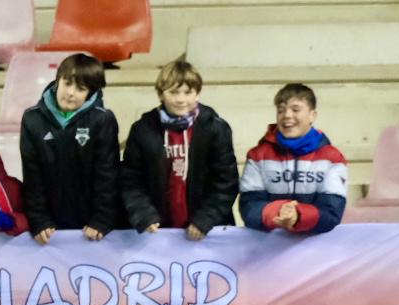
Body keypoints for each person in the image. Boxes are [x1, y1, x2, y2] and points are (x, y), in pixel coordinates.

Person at [120, 58, 239, 240]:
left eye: (188, 92)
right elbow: (130, 180)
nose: (181, 99)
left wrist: (205, 220)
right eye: (174, 92)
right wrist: (143, 214)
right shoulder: (142, 129)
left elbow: (226, 183)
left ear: (197, 94)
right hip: (155, 233)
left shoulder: (216, 129)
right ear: (161, 94)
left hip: (206, 233)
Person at [19, 53, 120, 245]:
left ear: (90, 92)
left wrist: (102, 219)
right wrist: (39, 219)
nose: (70, 92)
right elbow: (32, 176)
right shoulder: (32, 119)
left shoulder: (103, 119)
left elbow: (107, 175)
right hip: (49, 224)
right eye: (67, 83)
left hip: (91, 224)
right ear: (58, 80)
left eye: (80, 88)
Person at [239, 83, 347, 234]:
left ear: (312, 115)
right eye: (281, 110)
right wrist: (279, 213)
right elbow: (249, 207)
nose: (287, 115)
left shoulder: (333, 158)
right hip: (268, 251)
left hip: (318, 252)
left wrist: (298, 215)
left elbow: (331, 212)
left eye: (295, 109)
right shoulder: (258, 156)